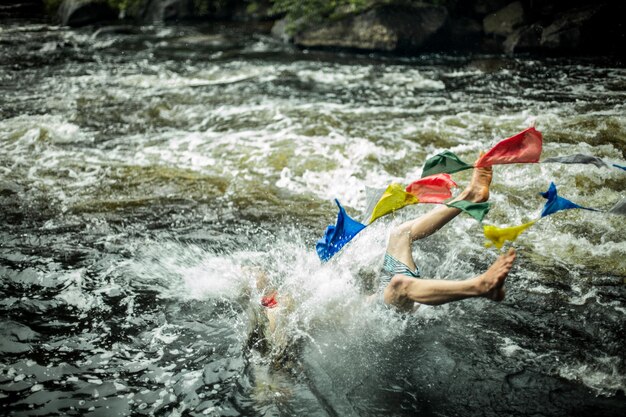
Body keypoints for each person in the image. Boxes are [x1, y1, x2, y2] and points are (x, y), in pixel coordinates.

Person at [377, 162, 516, 311]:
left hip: (379, 294)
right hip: (381, 310)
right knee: (399, 284)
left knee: (401, 233)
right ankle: (481, 286)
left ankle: (472, 195)